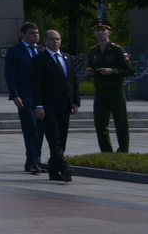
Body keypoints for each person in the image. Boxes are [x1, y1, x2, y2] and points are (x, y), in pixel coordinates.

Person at [31, 30, 80, 183]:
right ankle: (65, 167)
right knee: (54, 139)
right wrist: (38, 105)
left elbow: (73, 81)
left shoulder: (67, 57)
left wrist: (75, 101)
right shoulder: (39, 59)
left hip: (65, 105)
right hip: (48, 106)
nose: (55, 42)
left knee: (62, 139)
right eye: (52, 39)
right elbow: (35, 85)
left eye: (58, 39)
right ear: (45, 41)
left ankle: (53, 170)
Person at [4, 21, 46, 175]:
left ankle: (32, 161)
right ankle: (34, 161)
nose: (36, 36)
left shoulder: (41, 50)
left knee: (40, 129)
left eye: (37, 33)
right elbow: (10, 75)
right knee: (31, 129)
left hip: (40, 97)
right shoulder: (15, 51)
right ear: (23, 35)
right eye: (32, 33)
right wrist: (15, 95)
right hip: (25, 96)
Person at [86, 19, 133, 153]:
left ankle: (123, 151)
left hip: (115, 91)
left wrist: (112, 71)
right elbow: (90, 66)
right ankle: (106, 152)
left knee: (121, 123)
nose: (100, 32)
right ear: (94, 33)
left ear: (109, 32)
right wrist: (90, 71)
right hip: (100, 91)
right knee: (100, 124)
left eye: (103, 30)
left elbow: (129, 71)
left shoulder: (117, 50)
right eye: (97, 30)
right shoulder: (93, 51)